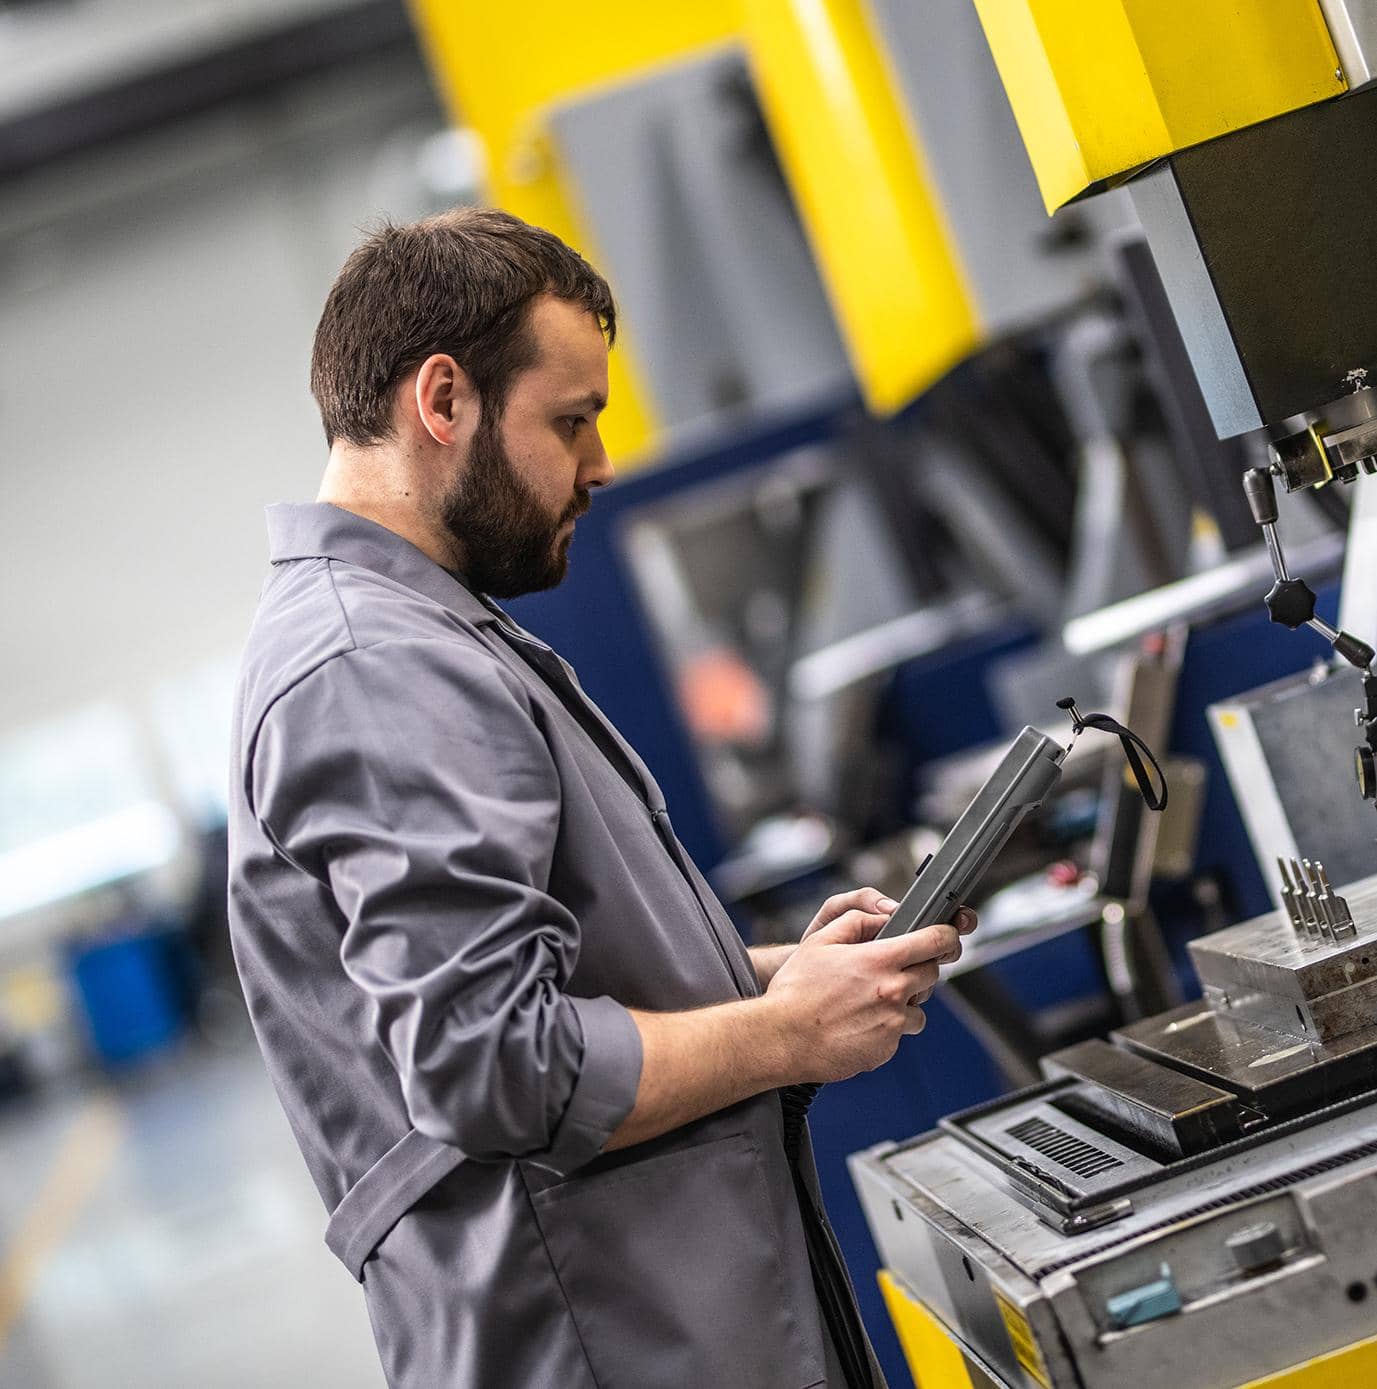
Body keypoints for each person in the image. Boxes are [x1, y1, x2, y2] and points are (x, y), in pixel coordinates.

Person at [227, 207, 975, 1388]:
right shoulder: (373, 663)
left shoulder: (419, 633)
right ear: (443, 402)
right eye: (570, 420)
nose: (601, 463)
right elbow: (494, 1063)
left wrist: (767, 977)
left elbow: (532, 985)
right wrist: (786, 1034)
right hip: (601, 1341)